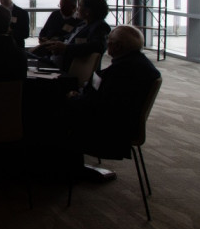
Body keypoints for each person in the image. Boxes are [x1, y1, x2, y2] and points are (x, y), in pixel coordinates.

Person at [67, 25, 161, 159]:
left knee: (54, 113)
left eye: (109, 41)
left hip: (113, 129)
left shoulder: (121, 72)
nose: (107, 44)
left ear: (118, 46)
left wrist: (73, 98)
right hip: (124, 121)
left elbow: (98, 105)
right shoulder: (140, 63)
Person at [41, 0, 111, 70]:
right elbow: (67, 38)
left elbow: (98, 46)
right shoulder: (82, 24)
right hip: (58, 62)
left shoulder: (99, 26)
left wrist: (66, 48)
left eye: (80, 5)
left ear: (88, 11)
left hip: (71, 69)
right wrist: (54, 41)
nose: (77, 8)